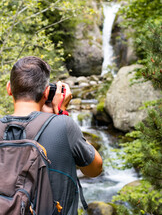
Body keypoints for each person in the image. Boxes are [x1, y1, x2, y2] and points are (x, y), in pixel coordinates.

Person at [2, 56, 103, 215]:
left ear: (9, 88)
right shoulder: (63, 125)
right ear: (47, 91)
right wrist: (61, 113)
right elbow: (94, 169)